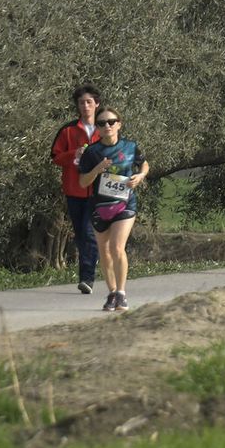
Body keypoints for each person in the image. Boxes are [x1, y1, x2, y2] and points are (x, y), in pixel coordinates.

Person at [78, 107, 148, 312]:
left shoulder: (130, 147)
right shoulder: (92, 152)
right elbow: (83, 182)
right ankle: (111, 292)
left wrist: (140, 176)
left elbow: (144, 165)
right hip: (100, 206)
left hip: (125, 204)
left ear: (119, 124)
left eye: (111, 122)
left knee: (117, 247)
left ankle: (122, 293)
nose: (107, 126)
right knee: (105, 251)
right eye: (101, 123)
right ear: (97, 128)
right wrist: (97, 169)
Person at [51, 84, 102, 294]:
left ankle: (87, 278)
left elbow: (119, 151)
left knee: (89, 233)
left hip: (98, 192)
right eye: (81, 102)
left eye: (89, 102)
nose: (85, 106)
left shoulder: (105, 128)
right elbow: (55, 157)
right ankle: (90, 269)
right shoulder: (68, 130)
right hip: (74, 191)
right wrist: (74, 154)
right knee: (81, 235)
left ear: (96, 104)